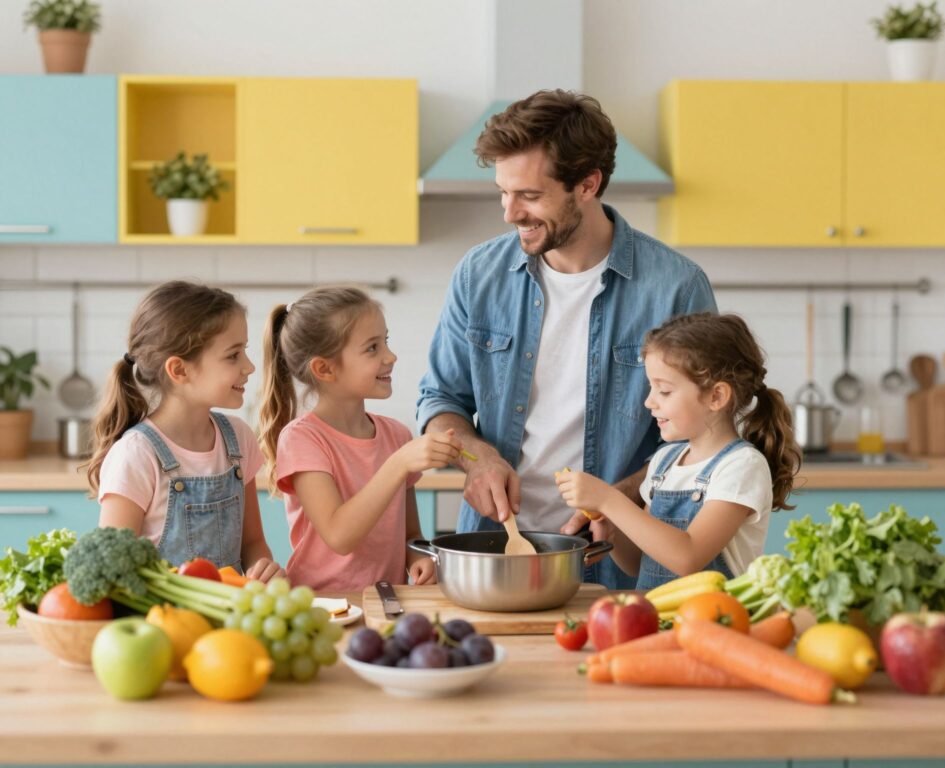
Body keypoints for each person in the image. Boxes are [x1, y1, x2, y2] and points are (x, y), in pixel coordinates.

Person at [416, 89, 717, 589]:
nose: (510, 213)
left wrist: (613, 500)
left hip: (618, 558)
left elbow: (706, 438)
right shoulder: (479, 274)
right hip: (497, 551)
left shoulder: (676, 287)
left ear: (587, 184)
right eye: (503, 192)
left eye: (530, 196)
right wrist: (476, 457)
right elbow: (441, 399)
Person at [555, 313, 801, 589]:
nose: (649, 402)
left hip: (716, 624)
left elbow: (688, 556)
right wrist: (611, 526)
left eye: (664, 391)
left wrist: (609, 500)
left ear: (716, 396)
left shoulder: (741, 466)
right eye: (651, 387)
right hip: (659, 623)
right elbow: (639, 562)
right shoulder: (664, 462)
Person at [258, 287, 461, 592]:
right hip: (324, 604)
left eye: (386, 342)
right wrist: (399, 464)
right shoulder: (302, 439)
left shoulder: (396, 435)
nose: (390, 357)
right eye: (372, 348)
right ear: (324, 368)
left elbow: (410, 535)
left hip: (387, 600)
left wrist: (419, 558)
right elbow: (340, 537)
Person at [87, 281, 283, 582]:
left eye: (244, 351)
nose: (249, 366)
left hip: (232, 621)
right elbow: (114, 571)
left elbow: (252, 544)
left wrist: (264, 572)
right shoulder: (136, 455)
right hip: (163, 622)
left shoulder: (239, 438)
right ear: (179, 370)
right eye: (233, 355)